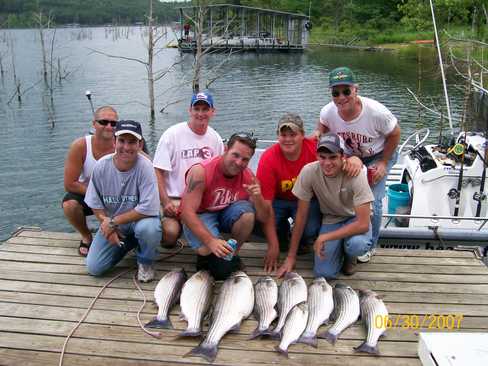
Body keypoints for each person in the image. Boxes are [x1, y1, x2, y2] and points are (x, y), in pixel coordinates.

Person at [317, 66, 401, 262]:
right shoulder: (328, 111)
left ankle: (371, 244)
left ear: (356, 89)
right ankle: (345, 230)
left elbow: (395, 133)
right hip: (348, 155)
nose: (341, 97)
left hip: (377, 155)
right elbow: (322, 125)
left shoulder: (376, 112)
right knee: (343, 192)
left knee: (374, 200)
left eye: (346, 91)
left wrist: (383, 162)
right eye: (335, 92)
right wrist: (319, 135)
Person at [277, 133, 374, 278]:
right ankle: (337, 248)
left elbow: (363, 224)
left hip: (354, 219)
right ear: (317, 156)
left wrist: (324, 238)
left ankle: (349, 256)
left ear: (342, 156)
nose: (327, 163)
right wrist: (291, 257)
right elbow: (301, 215)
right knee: (324, 273)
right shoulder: (308, 171)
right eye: (322, 157)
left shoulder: (356, 174)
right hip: (331, 219)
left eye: (333, 157)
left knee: (356, 245)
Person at [180, 132, 269, 280]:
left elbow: (264, 217)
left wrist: (258, 198)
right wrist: (210, 241)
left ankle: (231, 254)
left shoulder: (249, 177)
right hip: (202, 214)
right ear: (225, 149)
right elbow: (186, 212)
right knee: (208, 254)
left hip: (226, 212)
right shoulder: (201, 172)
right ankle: (206, 256)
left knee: (247, 215)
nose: (239, 162)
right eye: (235, 155)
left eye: (245, 159)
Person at [85, 120, 162, 282]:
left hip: (141, 220)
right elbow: (95, 203)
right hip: (115, 223)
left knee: (149, 229)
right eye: (122, 141)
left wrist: (112, 222)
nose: (126, 147)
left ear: (140, 145)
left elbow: (148, 208)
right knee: (95, 268)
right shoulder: (101, 166)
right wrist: (107, 223)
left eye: (132, 142)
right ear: (114, 142)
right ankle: (128, 244)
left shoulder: (146, 166)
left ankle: (145, 261)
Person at [153, 92, 224, 248]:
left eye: (205, 109)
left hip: (201, 203)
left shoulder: (216, 139)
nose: (200, 113)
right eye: (196, 108)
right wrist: (165, 202)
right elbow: (157, 171)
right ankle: (174, 233)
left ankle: (195, 236)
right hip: (174, 200)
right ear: (189, 110)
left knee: (207, 243)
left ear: (213, 111)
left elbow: (219, 176)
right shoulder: (172, 135)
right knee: (170, 234)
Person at [256, 112, 321, 273]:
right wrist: (273, 245)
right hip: (278, 200)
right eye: (283, 135)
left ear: (303, 135)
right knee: (258, 218)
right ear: (277, 136)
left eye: (293, 134)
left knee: (310, 229)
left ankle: (300, 239)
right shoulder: (268, 158)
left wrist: (291, 257)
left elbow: (339, 158)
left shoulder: (315, 150)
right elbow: (266, 204)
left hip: (306, 200)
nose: (288, 139)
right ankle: (282, 235)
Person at [62, 106, 118, 257]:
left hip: (120, 196)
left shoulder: (124, 143)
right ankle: (86, 236)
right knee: (70, 204)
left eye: (113, 124)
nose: (109, 126)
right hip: (89, 194)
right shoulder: (80, 146)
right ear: (94, 124)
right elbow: (70, 183)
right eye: (103, 122)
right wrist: (97, 195)